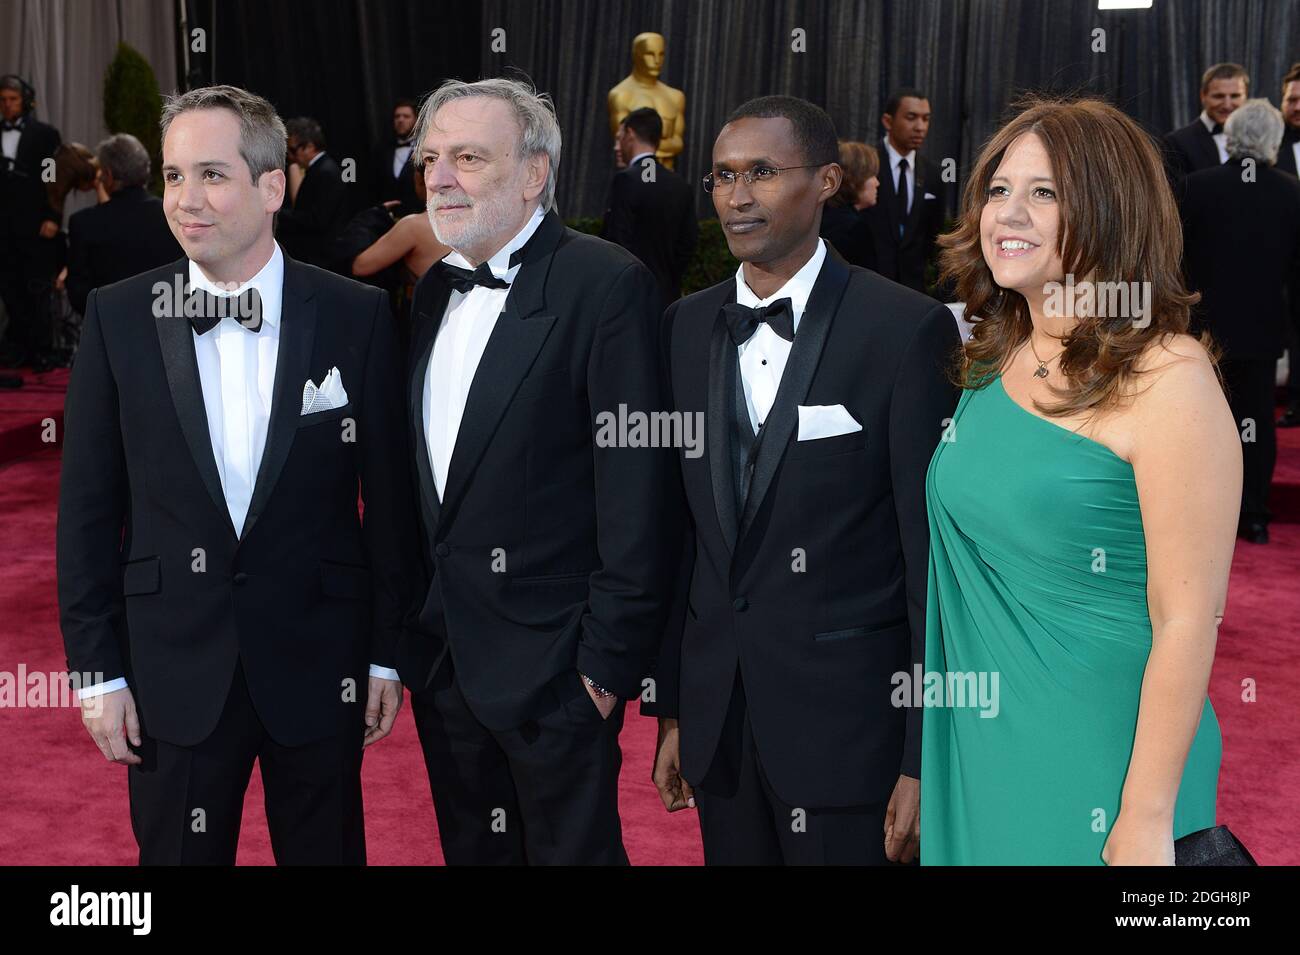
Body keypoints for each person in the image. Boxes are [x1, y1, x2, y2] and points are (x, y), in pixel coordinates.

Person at [56, 84, 416, 865]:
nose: (186, 199)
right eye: (176, 176)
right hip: (169, 672)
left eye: (212, 175)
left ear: (272, 187)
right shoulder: (119, 317)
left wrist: (387, 653)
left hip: (322, 665)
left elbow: (390, 504)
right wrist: (96, 673)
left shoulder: (355, 315)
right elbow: (86, 511)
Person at [923, 96, 1237, 865]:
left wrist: (1146, 811)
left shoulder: (1170, 377)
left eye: (1044, 192)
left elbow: (1189, 617)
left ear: (1110, 209)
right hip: (982, 748)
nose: (1007, 212)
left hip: (1107, 756)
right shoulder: (994, 357)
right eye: (999, 189)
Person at [648, 95, 960, 865]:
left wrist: (924, 755)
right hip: (720, 724)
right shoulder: (683, 326)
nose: (736, 195)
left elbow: (929, 562)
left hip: (852, 733)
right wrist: (674, 709)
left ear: (826, 180)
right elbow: (681, 536)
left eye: (761, 171)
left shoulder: (902, 328)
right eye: (721, 175)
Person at [396, 77, 677, 865]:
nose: (441, 177)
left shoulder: (605, 284)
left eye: (468, 157)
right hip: (448, 664)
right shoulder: (433, 292)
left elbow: (636, 493)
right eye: (432, 160)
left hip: (556, 673)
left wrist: (602, 670)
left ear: (534, 173)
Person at [1180, 98, 1300, 545]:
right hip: (1261, 333)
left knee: (1198, 422)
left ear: (1230, 137)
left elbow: (1172, 265)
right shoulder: (1292, 193)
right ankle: (1253, 516)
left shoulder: (1195, 187)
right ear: (1274, 141)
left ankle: (1197, 514)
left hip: (1200, 332)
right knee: (1255, 424)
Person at [66, 133, 182, 316]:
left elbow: (78, 294)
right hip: (166, 329)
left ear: (109, 176)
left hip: (109, 332)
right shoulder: (173, 216)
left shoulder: (84, 223)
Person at [602, 106, 698, 310]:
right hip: (668, 298)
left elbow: (617, 241)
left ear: (630, 134)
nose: (616, 147)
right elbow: (687, 244)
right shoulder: (681, 186)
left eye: (619, 138)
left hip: (628, 297)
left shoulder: (627, 180)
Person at [0, 74, 62, 368]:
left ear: (25, 101)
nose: (8, 105)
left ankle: (42, 349)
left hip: (35, 223)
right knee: (9, 286)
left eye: (13, 99)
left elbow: (53, 179)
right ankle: (18, 346)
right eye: (3, 100)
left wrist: (52, 216)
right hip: (3, 226)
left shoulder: (44, 134)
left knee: (36, 286)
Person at [861, 88, 944, 293]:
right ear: (888, 122)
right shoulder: (865, 166)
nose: (920, 127)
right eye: (911, 117)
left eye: (926, 119)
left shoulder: (933, 174)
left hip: (913, 290)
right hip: (867, 286)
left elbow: (935, 236)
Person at [277, 117, 350, 269]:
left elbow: (316, 219)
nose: (290, 157)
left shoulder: (325, 171)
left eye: (293, 150)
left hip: (322, 256)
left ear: (310, 147)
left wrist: (279, 213)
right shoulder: (321, 169)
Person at [1163, 63, 1248, 183]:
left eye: (1235, 96)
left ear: (1246, 97)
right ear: (1203, 96)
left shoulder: (1255, 140)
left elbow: (1253, 182)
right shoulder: (1176, 143)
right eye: (1219, 96)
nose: (1227, 105)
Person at [1275, 63, 1300, 427]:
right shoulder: (1270, 144)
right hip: (1286, 258)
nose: (1297, 105)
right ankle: (1296, 399)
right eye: (1292, 99)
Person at [819, 139, 879, 269]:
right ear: (854, 178)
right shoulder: (853, 228)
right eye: (871, 175)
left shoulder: (822, 216)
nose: (877, 183)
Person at [371, 98, 422, 218]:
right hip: (388, 219)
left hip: (418, 218)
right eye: (397, 116)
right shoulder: (382, 150)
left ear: (416, 120)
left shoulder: (425, 148)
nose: (400, 120)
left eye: (406, 116)